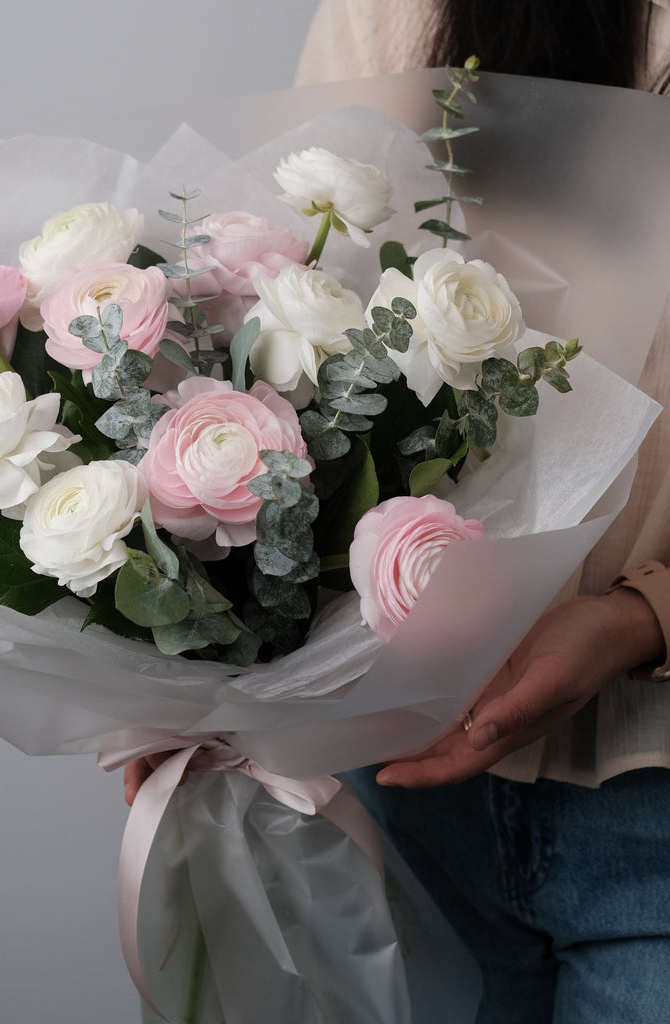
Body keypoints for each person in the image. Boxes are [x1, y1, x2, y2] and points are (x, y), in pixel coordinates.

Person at [127, 3, 670, 1021]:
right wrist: (190, 648)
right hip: (391, 778)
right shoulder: (395, 11)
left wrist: (645, 613)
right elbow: (284, 306)